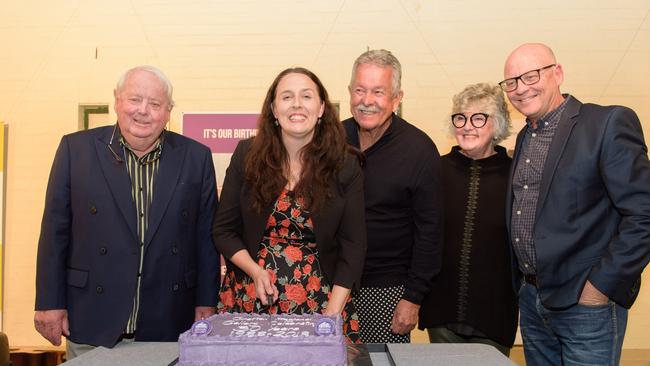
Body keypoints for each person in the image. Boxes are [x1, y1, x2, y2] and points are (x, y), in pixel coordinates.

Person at [34, 66, 220, 358]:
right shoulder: (76, 150)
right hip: (91, 320)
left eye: (155, 104)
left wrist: (206, 303)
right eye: (135, 99)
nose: (143, 111)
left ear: (168, 112)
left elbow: (206, 240)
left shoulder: (196, 157)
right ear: (117, 100)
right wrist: (48, 302)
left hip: (168, 321)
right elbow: (54, 233)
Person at [502, 43, 650, 365]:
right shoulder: (526, 137)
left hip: (585, 305)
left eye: (530, 76)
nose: (520, 88)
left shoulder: (606, 124)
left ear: (558, 73)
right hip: (532, 301)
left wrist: (599, 288)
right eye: (511, 82)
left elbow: (644, 214)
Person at [212, 67, 366, 344]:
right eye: (286, 97)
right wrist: (255, 271)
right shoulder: (246, 156)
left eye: (306, 96)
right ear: (273, 109)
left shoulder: (345, 164)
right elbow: (223, 231)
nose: (296, 104)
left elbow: (354, 246)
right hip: (251, 300)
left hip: (322, 304)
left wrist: (332, 313)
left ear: (321, 108)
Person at [342, 49, 443, 343]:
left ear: (397, 98)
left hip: (388, 290)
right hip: (331, 285)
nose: (367, 100)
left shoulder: (419, 150)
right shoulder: (331, 140)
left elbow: (430, 232)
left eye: (378, 92)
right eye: (360, 90)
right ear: (350, 92)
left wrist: (412, 298)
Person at [418, 83, 517, 356]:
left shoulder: (515, 175)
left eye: (478, 118)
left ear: (497, 124)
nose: (467, 126)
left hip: (494, 312)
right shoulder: (435, 170)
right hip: (441, 308)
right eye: (460, 117)